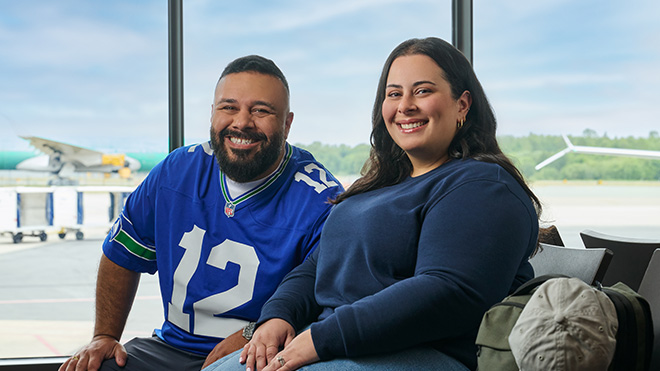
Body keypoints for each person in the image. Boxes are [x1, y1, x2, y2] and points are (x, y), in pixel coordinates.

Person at [205, 37, 542, 371]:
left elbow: (448, 292)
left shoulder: (482, 186)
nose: (405, 105)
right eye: (394, 93)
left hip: (419, 352)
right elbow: (317, 267)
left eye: (423, 91)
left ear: (462, 104)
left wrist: (323, 338)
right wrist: (278, 315)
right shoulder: (379, 186)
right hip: (337, 343)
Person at [59, 55, 343, 371]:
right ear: (212, 113)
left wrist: (254, 331)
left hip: (260, 355)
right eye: (229, 107)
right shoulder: (176, 171)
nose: (242, 122)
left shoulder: (322, 199)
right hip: (170, 348)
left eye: (261, 110)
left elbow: (326, 303)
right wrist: (104, 335)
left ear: (287, 124)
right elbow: (122, 254)